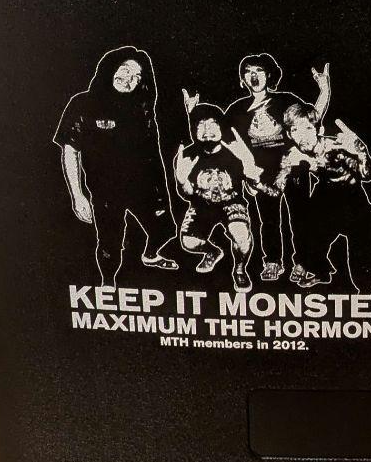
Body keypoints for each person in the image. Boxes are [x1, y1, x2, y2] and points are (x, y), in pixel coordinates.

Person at [54, 47, 178, 286]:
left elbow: (152, 153)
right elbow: (70, 150)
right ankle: (108, 283)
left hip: (145, 186)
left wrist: (160, 192)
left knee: (166, 229)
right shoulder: (83, 104)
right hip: (106, 190)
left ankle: (150, 255)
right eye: (125, 70)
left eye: (137, 77)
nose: (130, 79)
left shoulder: (142, 107)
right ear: (109, 69)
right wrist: (77, 196)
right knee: (110, 243)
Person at [224, 54, 329, 282]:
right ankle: (272, 261)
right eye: (248, 72)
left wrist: (324, 90)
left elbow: (313, 118)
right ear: (242, 79)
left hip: (293, 167)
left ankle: (302, 261)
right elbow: (223, 140)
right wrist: (246, 172)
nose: (254, 76)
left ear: (269, 75)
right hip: (261, 174)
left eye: (259, 71)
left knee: (300, 216)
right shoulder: (236, 109)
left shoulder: (285, 100)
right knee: (268, 219)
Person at [272, 102, 371, 293]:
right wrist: (257, 181)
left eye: (308, 128)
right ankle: (321, 272)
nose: (302, 135)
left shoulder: (335, 147)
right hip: (326, 199)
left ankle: (367, 291)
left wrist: (360, 151)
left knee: (364, 262)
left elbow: (366, 174)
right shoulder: (292, 154)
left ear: (318, 129)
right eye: (295, 130)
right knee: (308, 234)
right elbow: (277, 189)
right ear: (289, 134)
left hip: (354, 202)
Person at [174, 93, 269, 292]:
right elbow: (187, 195)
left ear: (221, 128)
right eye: (201, 126)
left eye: (212, 124)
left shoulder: (235, 151)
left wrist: (249, 165)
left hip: (232, 202)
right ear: (194, 130)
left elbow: (253, 191)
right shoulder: (187, 155)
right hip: (201, 204)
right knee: (188, 243)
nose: (207, 131)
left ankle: (240, 269)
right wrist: (182, 181)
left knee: (241, 236)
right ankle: (212, 252)